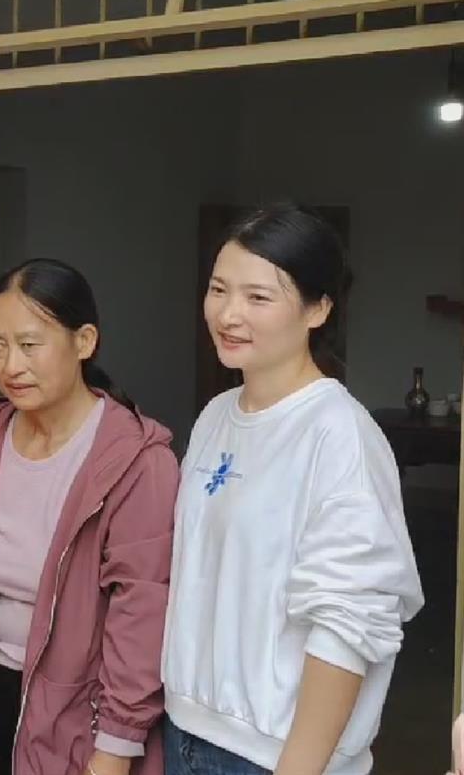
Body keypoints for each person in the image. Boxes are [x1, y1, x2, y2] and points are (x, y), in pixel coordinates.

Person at [162, 203, 424, 775]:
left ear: (318, 308)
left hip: (275, 755)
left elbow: (349, 622)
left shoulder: (340, 434)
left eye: (258, 297)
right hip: (184, 732)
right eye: (218, 290)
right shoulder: (215, 416)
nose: (229, 314)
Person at [0, 258, 178, 775]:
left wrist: (116, 748)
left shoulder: (136, 460)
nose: (11, 365)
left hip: (83, 716)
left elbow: (141, 610)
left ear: (84, 341)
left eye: (29, 344)